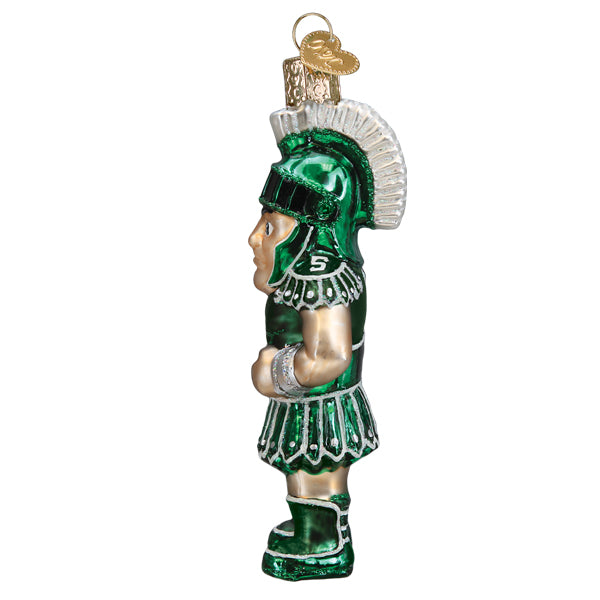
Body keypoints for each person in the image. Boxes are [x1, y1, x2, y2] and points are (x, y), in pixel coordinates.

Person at [249, 99, 406, 580]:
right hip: (306, 404)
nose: (255, 238)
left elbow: (330, 356)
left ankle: (326, 542)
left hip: (321, 407)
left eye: (271, 226)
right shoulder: (304, 272)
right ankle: (310, 530)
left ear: (310, 228)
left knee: (316, 467)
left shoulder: (323, 276)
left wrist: (274, 372)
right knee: (300, 468)